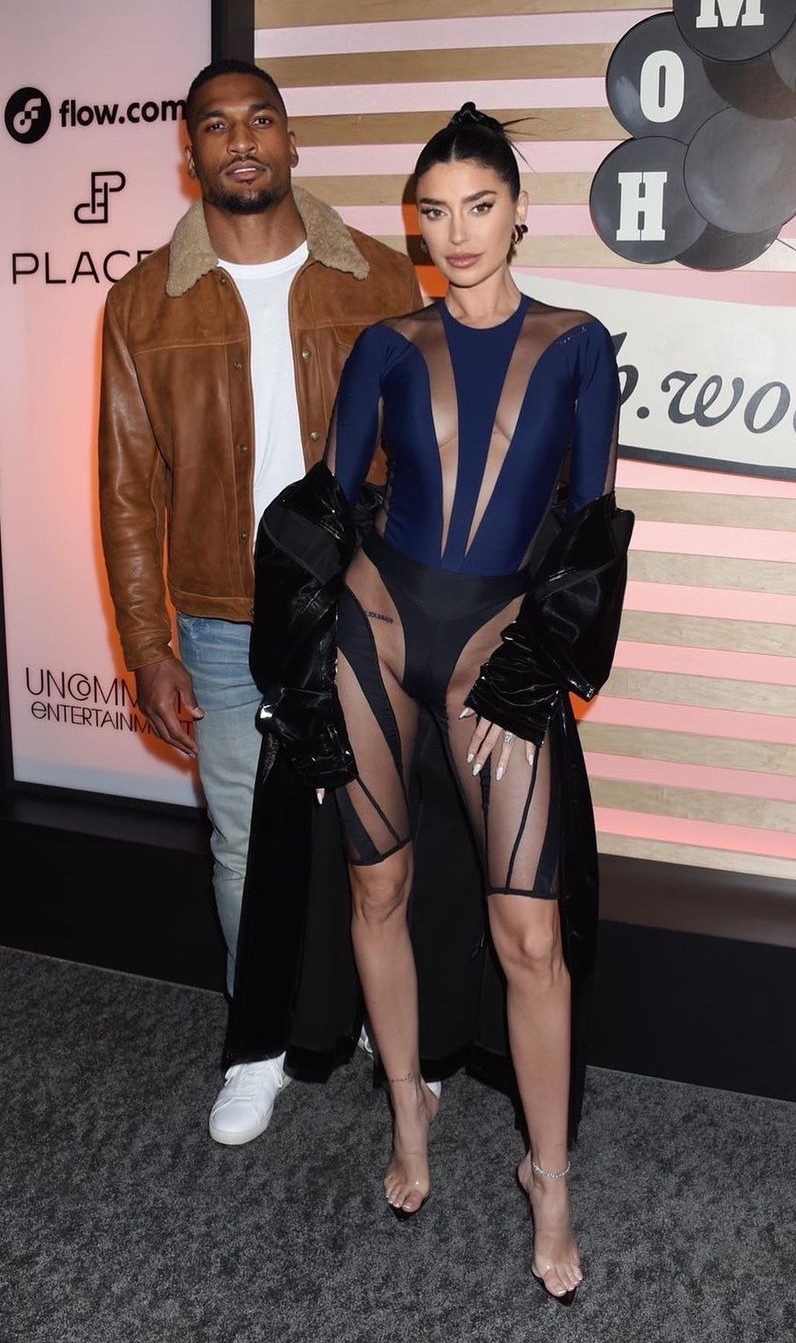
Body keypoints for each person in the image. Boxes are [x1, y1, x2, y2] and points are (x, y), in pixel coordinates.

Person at [235, 103, 631, 1303]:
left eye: (480, 206)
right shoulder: (387, 346)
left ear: (519, 212)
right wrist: (304, 661)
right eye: (435, 212)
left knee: (531, 935)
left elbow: (589, 528)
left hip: (496, 647)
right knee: (378, 889)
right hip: (377, 627)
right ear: (418, 224)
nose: (457, 232)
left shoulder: (576, 346)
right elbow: (327, 508)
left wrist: (545, 653)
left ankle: (548, 1177)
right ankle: (407, 1107)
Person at [97, 59, 422, 1147]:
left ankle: (380, 1020)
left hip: (360, 602)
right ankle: (259, 1042)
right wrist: (147, 643)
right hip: (221, 616)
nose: (240, 140)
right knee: (243, 841)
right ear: (189, 151)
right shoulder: (144, 303)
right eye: (215, 125)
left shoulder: (380, 279)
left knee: (374, 833)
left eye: (260, 120)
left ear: (290, 140)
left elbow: (424, 458)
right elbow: (129, 490)